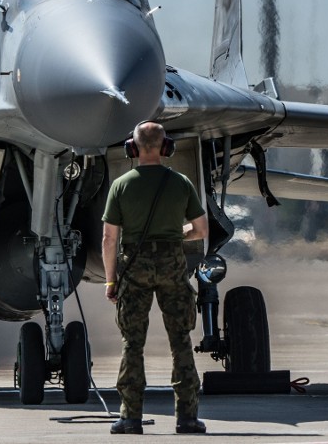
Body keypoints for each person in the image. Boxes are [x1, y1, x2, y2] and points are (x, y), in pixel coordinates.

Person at [101, 121, 209, 435]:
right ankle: (187, 418)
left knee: (132, 343)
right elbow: (201, 230)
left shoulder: (121, 185)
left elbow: (109, 239)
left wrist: (111, 281)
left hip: (134, 266)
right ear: (165, 147)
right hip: (172, 263)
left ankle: (130, 418)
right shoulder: (181, 183)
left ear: (132, 148)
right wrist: (177, 233)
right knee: (181, 341)